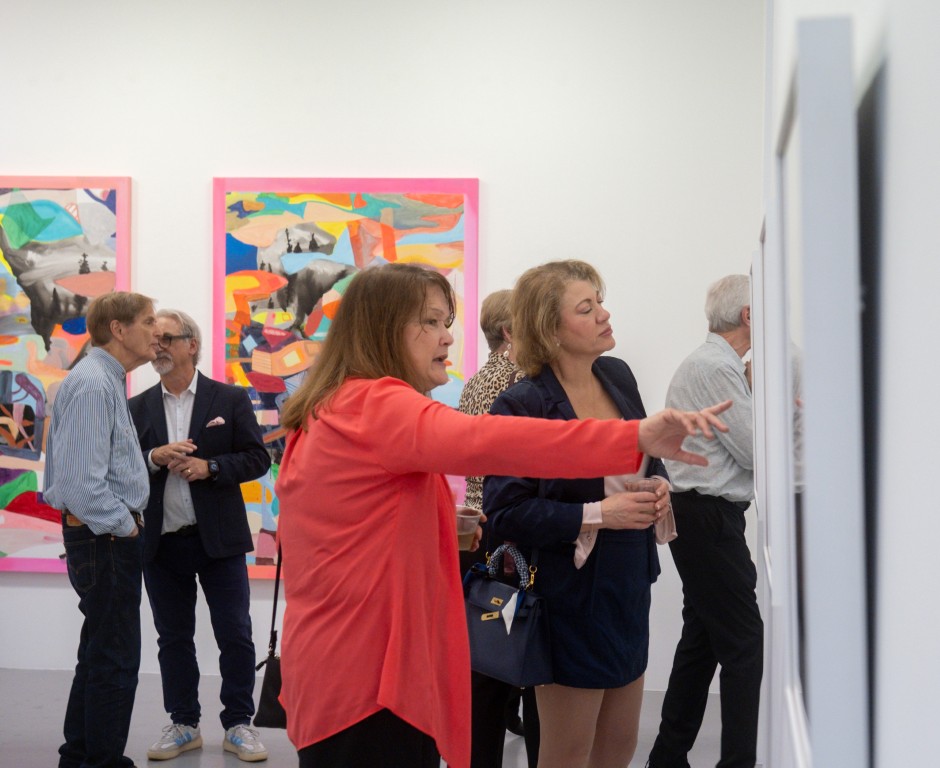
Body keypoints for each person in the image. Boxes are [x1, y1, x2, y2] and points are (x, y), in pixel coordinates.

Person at [274, 262, 730, 768]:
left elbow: (345, 528)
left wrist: (441, 526)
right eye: (431, 322)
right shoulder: (373, 403)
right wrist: (634, 437)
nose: (447, 337)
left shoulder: (336, 405)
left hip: (350, 663)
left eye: (446, 321)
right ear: (383, 328)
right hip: (367, 677)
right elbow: (486, 441)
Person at [483, 260, 670, 768]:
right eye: (586, 308)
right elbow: (506, 511)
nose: (604, 314)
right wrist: (598, 513)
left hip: (628, 582)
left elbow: (646, 455)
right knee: (568, 752)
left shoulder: (617, 375)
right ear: (550, 329)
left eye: (600, 302)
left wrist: (658, 486)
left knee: (619, 746)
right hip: (569, 594)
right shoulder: (523, 404)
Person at [128, 309, 271, 763]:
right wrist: (154, 457)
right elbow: (124, 466)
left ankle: (239, 723)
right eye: (154, 339)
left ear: (192, 344)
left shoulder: (228, 398)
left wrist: (210, 467)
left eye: (166, 338)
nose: (157, 347)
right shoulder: (136, 406)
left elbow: (258, 458)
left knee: (235, 633)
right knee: (173, 639)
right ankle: (184, 723)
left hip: (220, 542)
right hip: (162, 543)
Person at [647, 274, 762, 768]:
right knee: (744, 643)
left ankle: (667, 756)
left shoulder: (717, 364)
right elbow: (755, 451)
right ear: (749, 316)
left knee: (703, 639)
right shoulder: (716, 366)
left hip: (703, 515)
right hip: (707, 516)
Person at [43, 291, 160, 768]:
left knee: (99, 653)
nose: (157, 331)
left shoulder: (103, 379)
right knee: (115, 658)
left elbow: (99, 469)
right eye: (148, 321)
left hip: (102, 538)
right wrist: (125, 527)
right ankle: (101, 762)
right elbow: (81, 484)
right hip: (105, 539)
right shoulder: (95, 384)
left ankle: (81, 756)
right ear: (118, 328)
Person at [457, 289, 539, 768]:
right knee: (510, 651)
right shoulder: (515, 381)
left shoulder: (476, 380)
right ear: (509, 332)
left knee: (487, 656)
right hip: (502, 531)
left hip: (479, 528)